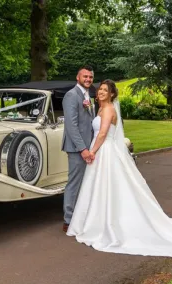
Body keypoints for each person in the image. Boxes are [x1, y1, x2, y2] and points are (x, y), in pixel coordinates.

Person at [66, 79, 172, 258]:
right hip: (101, 150)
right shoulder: (100, 108)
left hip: (105, 151)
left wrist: (91, 152)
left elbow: (102, 133)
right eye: (100, 89)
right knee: (98, 186)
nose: (101, 92)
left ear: (112, 94)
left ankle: (106, 223)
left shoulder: (109, 109)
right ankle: (97, 220)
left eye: (105, 90)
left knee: (108, 185)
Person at [61, 65, 96, 232]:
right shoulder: (71, 95)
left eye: (90, 77)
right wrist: (82, 149)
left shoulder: (88, 96)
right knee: (74, 184)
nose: (88, 79)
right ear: (78, 77)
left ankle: (81, 216)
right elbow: (71, 126)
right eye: (85, 76)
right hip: (77, 148)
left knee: (85, 182)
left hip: (89, 147)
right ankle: (68, 220)